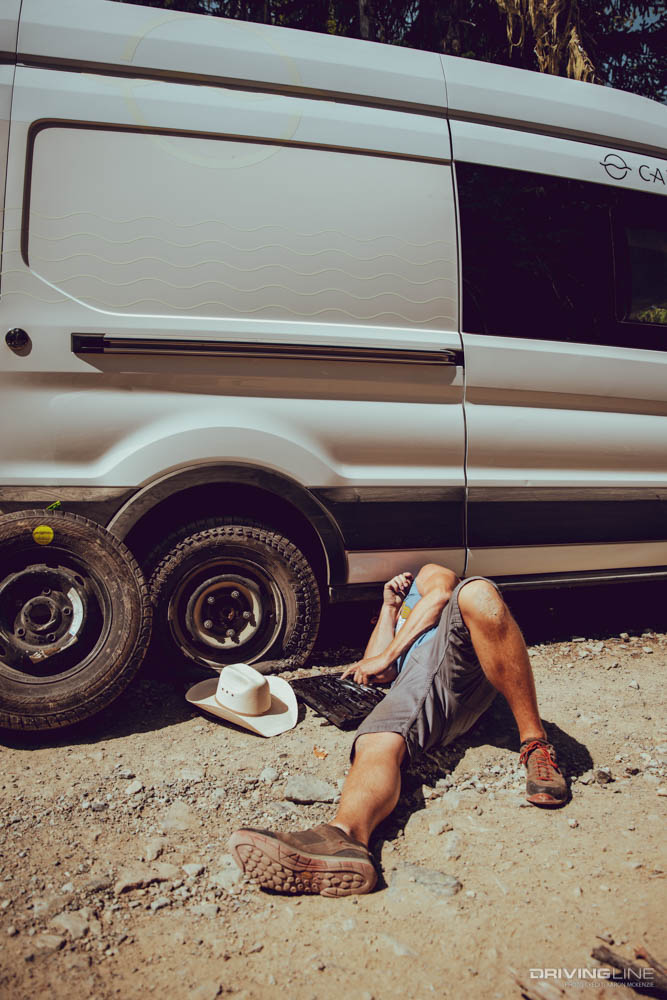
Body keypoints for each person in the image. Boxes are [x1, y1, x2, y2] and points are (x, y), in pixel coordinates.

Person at [229, 565, 567, 897]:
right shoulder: (398, 609)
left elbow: (441, 595)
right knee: (379, 736)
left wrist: (391, 652)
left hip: (460, 664)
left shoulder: (429, 575)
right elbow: (375, 668)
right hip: (430, 691)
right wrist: (388, 608)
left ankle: (536, 745)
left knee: (478, 591)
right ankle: (345, 838)